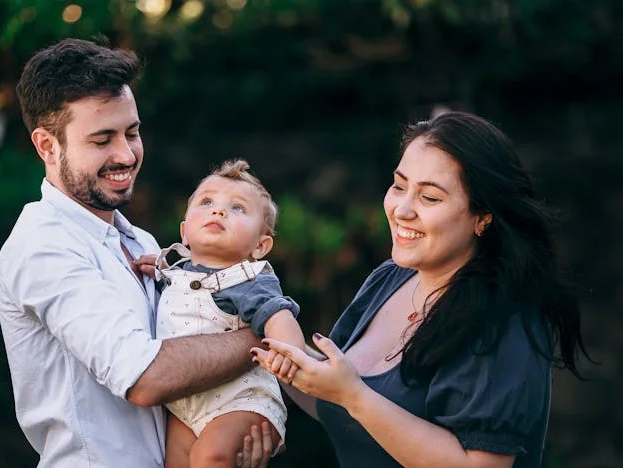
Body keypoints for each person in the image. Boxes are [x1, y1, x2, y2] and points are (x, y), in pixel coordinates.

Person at [251, 111, 590, 467]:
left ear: (483, 216)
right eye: (399, 186)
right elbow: (334, 398)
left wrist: (355, 396)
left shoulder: (504, 318)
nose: (402, 209)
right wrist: (258, 325)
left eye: (429, 198)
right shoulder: (391, 277)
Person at [0, 38, 269, 467]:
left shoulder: (142, 244)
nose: (126, 154)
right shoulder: (43, 245)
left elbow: (188, 358)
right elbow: (145, 377)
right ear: (47, 146)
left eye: (132, 132)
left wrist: (231, 424)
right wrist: (267, 336)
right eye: (102, 139)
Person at [154, 159, 304, 467]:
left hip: (241, 401)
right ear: (184, 233)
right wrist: (151, 270)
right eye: (206, 201)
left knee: (211, 458)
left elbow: (278, 315)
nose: (218, 210)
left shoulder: (247, 278)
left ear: (260, 246)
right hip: (184, 406)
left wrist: (289, 354)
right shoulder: (173, 274)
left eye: (238, 208)